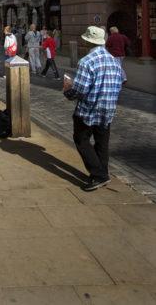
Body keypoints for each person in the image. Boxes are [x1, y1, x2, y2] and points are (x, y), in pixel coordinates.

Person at [63, 26, 124, 192]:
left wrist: (68, 89)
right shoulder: (114, 60)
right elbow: (121, 82)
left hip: (89, 109)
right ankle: (102, 172)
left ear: (87, 42)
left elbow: (80, 89)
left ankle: (98, 175)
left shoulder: (87, 62)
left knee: (81, 139)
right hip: (108, 108)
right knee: (102, 142)